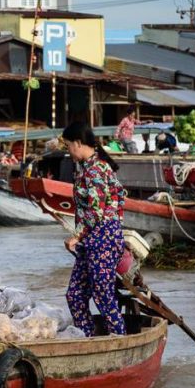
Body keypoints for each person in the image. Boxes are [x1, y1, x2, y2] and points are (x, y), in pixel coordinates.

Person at [61, 121, 127, 337]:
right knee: (75, 295)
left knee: (102, 295)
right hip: (91, 241)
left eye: (68, 146)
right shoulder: (86, 168)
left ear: (78, 143)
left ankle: (119, 339)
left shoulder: (96, 169)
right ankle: (86, 337)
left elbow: (96, 212)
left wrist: (76, 236)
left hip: (103, 239)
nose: (68, 151)